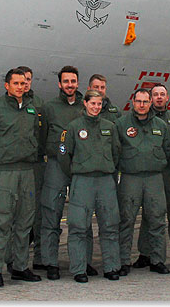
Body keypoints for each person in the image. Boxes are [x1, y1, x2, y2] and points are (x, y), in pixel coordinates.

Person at [0, 68, 43, 287]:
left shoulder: (31, 109)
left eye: (23, 83)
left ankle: (20, 266)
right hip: (5, 171)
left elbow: (37, 137)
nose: (20, 87)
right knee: (2, 221)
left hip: (27, 171)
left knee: (25, 221)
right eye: (15, 83)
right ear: (7, 85)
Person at [59, 90, 122, 282]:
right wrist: (77, 172)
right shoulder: (73, 127)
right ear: (85, 104)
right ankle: (79, 269)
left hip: (105, 182)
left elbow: (116, 152)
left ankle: (111, 267)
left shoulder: (109, 127)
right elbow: (64, 155)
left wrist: (108, 170)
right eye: (92, 103)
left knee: (110, 225)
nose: (96, 107)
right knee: (78, 226)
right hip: (82, 182)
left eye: (99, 104)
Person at [37, 66, 86, 280]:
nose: (70, 85)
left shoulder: (86, 106)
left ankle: (80, 263)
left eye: (73, 81)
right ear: (59, 84)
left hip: (79, 165)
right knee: (51, 212)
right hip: (56, 165)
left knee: (80, 216)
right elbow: (42, 136)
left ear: (77, 83)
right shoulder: (49, 108)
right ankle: (50, 262)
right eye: (66, 81)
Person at [116, 88, 170, 275]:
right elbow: (116, 150)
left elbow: (167, 148)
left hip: (154, 178)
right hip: (130, 178)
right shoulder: (121, 124)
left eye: (145, 101)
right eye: (138, 101)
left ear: (150, 103)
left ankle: (157, 260)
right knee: (126, 220)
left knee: (157, 220)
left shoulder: (161, 125)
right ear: (133, 102)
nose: (142, 105)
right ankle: (123, 260)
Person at [137, 83, 170, 267]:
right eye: (155, 94)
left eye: (162, 94)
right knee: (150, 213)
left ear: (167, 98)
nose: (158, 97)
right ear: (150, 99)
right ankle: (145, 253)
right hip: (152, 172)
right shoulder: (142, 119)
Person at [10, 65, 43, 271]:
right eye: (20, 81)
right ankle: (7, 262)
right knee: (9, 218)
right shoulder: (1, 107)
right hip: (11, 169)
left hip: (33, 166)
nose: (25, 84)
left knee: (30, 215)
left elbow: (42, 134)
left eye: (28, 80)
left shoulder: (38, 104)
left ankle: (25, 264)